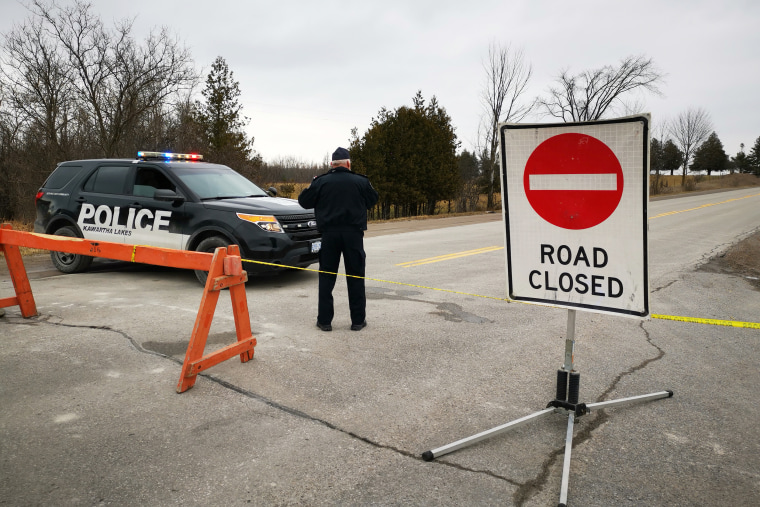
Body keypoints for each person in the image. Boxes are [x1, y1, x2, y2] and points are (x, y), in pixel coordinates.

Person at [298, 147, 379, 331]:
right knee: (356, 276)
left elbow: (304, 201)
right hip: (353, 235)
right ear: (348, 164)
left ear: (331, 164)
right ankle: (358, 321)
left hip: (329, 235)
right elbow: (373, 200)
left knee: (327, 278)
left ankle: (325, 321)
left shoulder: (321, 182)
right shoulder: (361, 181)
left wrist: (313, 187)